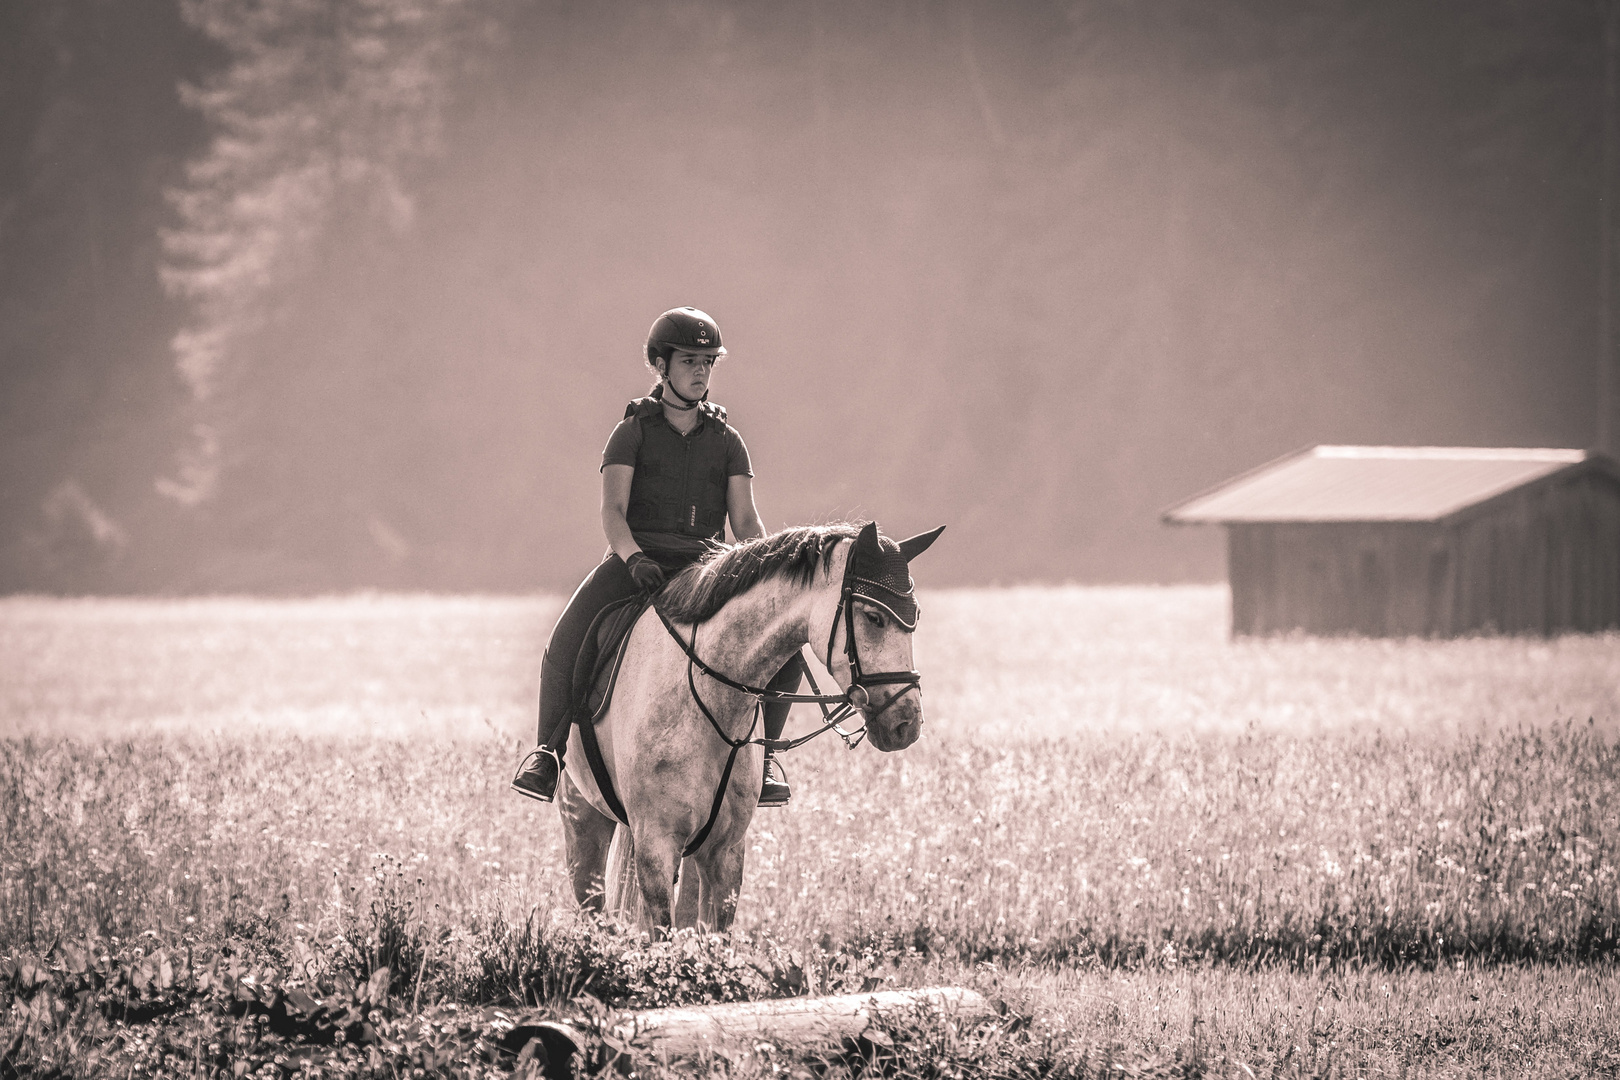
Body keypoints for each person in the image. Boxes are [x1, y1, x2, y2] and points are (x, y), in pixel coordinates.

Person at [511, 306, 800, 807]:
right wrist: (632, 557)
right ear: (661, 366)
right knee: (566, 639)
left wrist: (767, 574)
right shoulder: (631, 434)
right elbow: (613, 512)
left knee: (786, 646)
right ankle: (548, 754)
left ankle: (767, 755)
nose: (701, 371)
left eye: (709, 361)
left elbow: (746, 524)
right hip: (638, 563)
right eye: (690, 360)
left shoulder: (729, 443)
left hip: (706, 569)